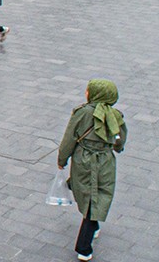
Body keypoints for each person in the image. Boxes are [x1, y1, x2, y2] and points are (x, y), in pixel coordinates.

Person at [58, 79, 127, 261]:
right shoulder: (116, 115)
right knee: (100, 193)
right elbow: (119, 141)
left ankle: (84, 247)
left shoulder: (81, 113)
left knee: (88, 194)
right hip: (105, 161)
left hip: (84, 160)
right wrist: (116, 148)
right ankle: (93, 227)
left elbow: (69, 139)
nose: (86, 93)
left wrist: (62, 159)